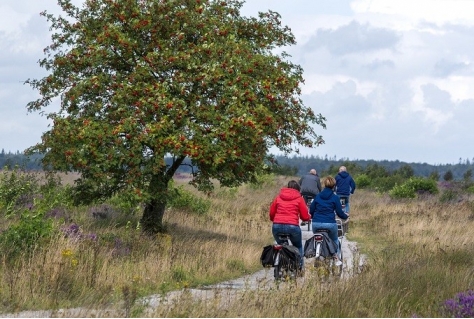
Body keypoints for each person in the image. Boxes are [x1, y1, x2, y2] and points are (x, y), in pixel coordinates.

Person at [269, 180, 311, 269]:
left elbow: (272, 212)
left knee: (280, 244)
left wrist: (275, 220)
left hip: (277, 225)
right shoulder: (299, 198)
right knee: (298, 246)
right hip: (292, 226)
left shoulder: (278, 197)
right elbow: (304, 215)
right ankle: (299, 267)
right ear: (298, 189)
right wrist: (307, 219)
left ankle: (282, 261)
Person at [309, 176, 349, 265]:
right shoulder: (335, 198)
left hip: (316, 224)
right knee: (335, 239)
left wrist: (313, 217)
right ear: (334, 186)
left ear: (324, 185)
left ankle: (317, 251)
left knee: (317, 237)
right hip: (330, 224)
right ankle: (336, 258)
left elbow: (311, 210)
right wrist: (345, 216)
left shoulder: (317, 196)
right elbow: (339, 213)